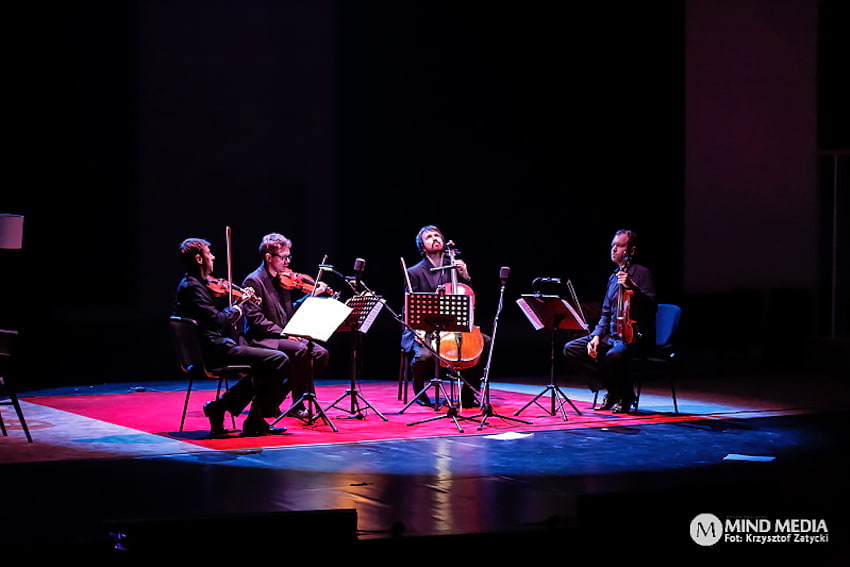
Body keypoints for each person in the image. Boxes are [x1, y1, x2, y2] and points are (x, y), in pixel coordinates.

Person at [172, 238, 289, 437]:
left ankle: (228, 410)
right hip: (213, 351)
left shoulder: (194, 284)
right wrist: (238, 306)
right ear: (199, 259)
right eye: (209, 254)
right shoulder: (193, 288)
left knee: (267, 363)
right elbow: (217, 321)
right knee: (279, 359)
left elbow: (211, 319)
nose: (213, 257)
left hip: (212, 347)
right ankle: (251, 418)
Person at [562, 229, 657, 413]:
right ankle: (614, 390)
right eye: (613, 245)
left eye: (619, 246)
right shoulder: (612, 278)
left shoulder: (643, 274)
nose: (614, 249)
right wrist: (596, 336)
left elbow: (652, 306)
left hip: (634, 337)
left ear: (631, 251)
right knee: (572, 349)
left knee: (613, 356)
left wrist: (633, 287)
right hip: (612, 336)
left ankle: (625, 395)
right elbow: (605, 314)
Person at [241, 233, 330, 419]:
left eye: (289, 256)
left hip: (283, 336)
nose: (287, 261)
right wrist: (284, 334)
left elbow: (289, 311)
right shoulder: (253, 281)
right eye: (283, 257)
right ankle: (290, 403)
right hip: (262, 339)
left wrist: (311, 295)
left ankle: (280, 398)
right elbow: (256, 320)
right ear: (268, 257)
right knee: (300, 351)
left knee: (320, 353)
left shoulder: (283, 279)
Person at [401, 225, 489, 408]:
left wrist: (465, 275)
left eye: (437, 235)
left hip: (453, 325)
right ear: (423, 247)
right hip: (425, 327)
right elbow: (409, 306)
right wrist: (417, 329)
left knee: (484, 342)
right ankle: (419, 392)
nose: (435, 238)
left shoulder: (455, 266)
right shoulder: (414, 272)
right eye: (429, 237)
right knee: (424, 356)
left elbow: (468, 296)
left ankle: (467, 395)